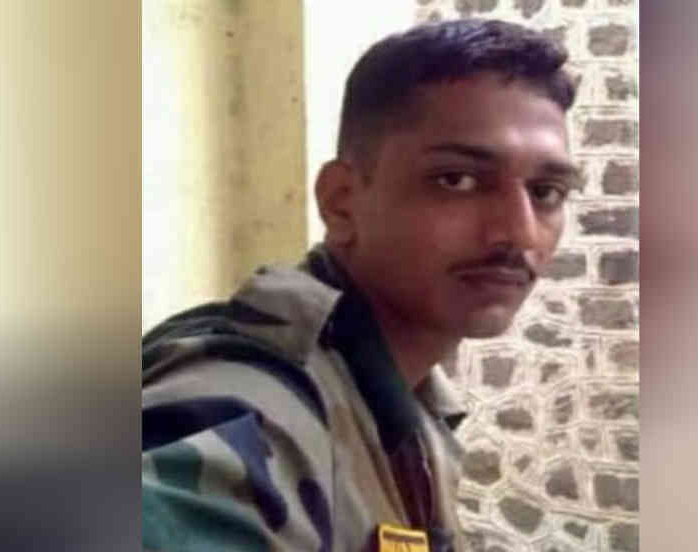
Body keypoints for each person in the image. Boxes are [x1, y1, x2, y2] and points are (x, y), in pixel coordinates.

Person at [142, 18, 577, 551]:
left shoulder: (397, 399)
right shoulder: (248, 403)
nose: (520, 232)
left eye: (547, 192)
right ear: (341, 202)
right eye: (457, 180)